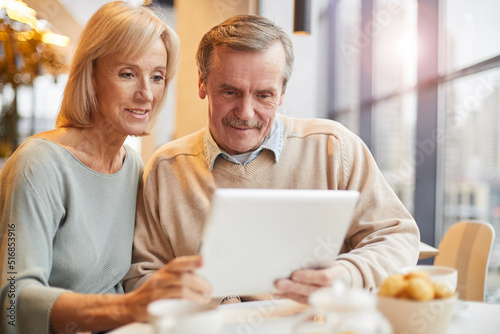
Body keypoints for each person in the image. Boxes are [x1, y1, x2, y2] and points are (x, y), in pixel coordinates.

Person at [123, 14, 420, 305]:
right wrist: (213, 303)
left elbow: (397, 236)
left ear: (282, 93)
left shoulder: (333, 148)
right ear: (202, 83)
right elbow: (143, 275)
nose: (246, 113)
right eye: (230, 91)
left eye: (264, 95)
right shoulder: (167, 168)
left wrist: (346, 273)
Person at [0, 2, 211, 334]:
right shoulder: (38, 164)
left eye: (157, 77)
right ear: (91, 75)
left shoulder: (133, 166)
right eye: (128, 73)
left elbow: (130, 281)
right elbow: (14, 300)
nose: (146, 93)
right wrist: (128, 308)